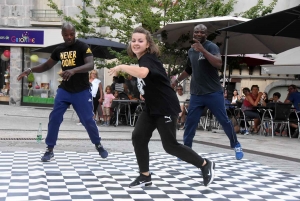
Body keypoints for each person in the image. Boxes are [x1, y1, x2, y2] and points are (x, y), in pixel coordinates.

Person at [108, 26, 215, 188]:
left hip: (165, 107)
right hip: (152, 107)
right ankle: (145, 176)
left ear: (148, 44)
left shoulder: (148, 58)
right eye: (133, 40)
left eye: (140, 41)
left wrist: (122, 66)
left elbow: (143, 73)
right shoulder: (143, 58)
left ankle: (205, 164)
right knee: (138, 136)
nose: (136, 43)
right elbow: (149, 79)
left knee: (170, 146)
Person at [17, 22, 108, 161]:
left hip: (81, 90)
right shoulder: (59, 49)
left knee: (87, 120)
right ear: (62, 35)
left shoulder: (83, 47)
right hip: (64, 90)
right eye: (66, 35)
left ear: (75, 33)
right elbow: (47, 65)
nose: (69, 37)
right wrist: (30, 70)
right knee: (54, 118)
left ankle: (98, 144)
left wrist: (73, 70)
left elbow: (90, 64)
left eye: (71, 34)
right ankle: (49, 149)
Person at [171, 24, 243, 160]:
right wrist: (176, 81)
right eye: (196, 32)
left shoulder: (211, 47)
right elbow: (189, 69)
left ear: (206, 34)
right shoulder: (191, 51)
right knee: (190, 122)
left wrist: (203, 50)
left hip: (213, 92)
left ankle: (236, 144)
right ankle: (186, 150)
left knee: (224, 120)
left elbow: (218, 64)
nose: (198, 34)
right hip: (196, 93)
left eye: (201, 32)